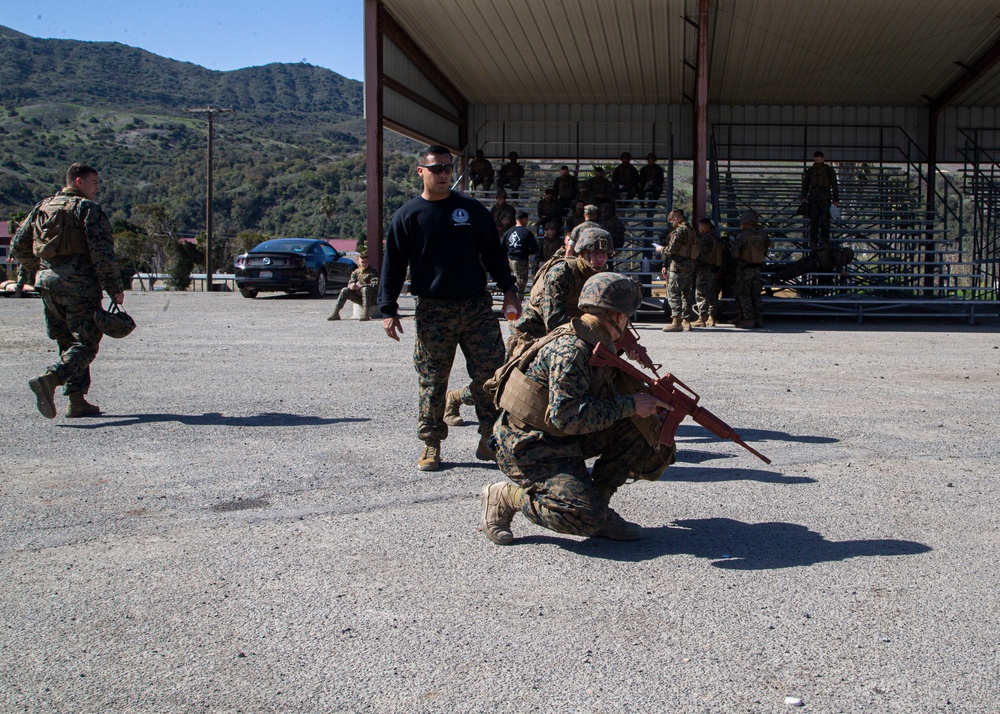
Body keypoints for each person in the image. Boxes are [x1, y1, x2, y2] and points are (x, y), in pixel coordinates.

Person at [480, 272, 672, 545]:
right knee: (583, 516)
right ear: (618, 316)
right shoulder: (572, 349)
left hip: (558, 435)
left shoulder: (596, 339)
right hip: (529, 444)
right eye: (628, 317)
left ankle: (600, 506)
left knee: (639, 426)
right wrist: (630, 404)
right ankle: (507, 496)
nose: (628, 324)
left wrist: (643, 407)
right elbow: (567, 417)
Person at [379, 145, 521, 471]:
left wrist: (510, 290)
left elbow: (494, 255)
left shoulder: (471, 211)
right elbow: (394, 265)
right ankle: (431, 443)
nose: (443, 174)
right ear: (421, 172)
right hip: (433, 310)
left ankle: (490, 440)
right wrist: (388, 309)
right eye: (436, 168)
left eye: (447, 168)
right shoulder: (408, 216)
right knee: (432, 379)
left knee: (490, 376)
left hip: (476, 307)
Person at [11, 163, 125, 419]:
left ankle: (77, 400)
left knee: (67, 341)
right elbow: (102, 252)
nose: (97, 187)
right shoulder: (87, 209)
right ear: (78, 182)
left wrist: (42, 269)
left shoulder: (42, 207)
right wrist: (115, 287)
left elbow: (18, 246)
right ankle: (50, 379)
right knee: (86, 343)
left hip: (48, 285)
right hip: (80, 286)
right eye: (93, 182)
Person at [508, 226, 612, 342]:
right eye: (595, 253)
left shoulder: (601, 277)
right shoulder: (561, 273)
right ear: (582, 253)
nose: (600, 258)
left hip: (569, 330)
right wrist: (590, 332)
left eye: (604, 254)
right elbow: (554, 320)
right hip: (532, 332)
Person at [657, 209, 697, 332]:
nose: (671, 223)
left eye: (671, 220)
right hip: (690, 266)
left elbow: (671, 250)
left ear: (676, 219)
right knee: (687, 294)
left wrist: (660, 250)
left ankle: (676, 321)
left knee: (673, 293)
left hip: (678, 266)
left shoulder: (679, 231)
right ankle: (687, 320)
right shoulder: (691, 230)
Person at [730, 209, 770, 329]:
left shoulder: (742, 235)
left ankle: (747, 319)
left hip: (744, 269)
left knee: (743, 294)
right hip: (757, 268)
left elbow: (735, 254)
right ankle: (758, 319)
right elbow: (766, 250)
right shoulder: (763, 235)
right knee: (756, 294)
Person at [800, 150, 839, 249]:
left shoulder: (829, 170)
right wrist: (803, 197)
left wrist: (835, 199)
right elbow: (805, 184)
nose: (817, 162)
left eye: (819, 160)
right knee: (814, 222)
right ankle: (813, 242)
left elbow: (834, 185)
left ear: (823, 159)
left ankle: (825, 241)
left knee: (825, 221)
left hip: (825, 199)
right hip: (813, 199)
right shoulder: (810, 171)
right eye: (816, 160)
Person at [327, 251, 379, 321]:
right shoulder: (356, 272)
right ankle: (335, 313)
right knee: (344, 290)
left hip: (371, 298)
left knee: (365, 289)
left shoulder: (373, 272)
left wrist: (362, 286)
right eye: (362, 262)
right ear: (358, 262)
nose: (364, 264)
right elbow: (351, 281)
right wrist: (352, 286)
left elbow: (375, 285)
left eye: (366, 262)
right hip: (359, 297)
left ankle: (366, 314)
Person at [692, 218, 723, 327]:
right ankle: (712, 317)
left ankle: (702, 317)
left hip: (704, 268)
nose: (699, 229)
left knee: (701, 293)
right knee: (712, 294)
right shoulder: (716, 238)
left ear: (705, 227)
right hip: (714, 269)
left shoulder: (706, 239)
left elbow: (701, 254)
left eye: (700, 226)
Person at [501, 211, 539, 296]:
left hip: (510, 260)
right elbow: (535, 249)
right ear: (524, 219)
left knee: (515, 280)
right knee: (520, 282)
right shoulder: (526, 232)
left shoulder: (508, 232)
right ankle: (517, 301)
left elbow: (502, 247)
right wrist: (526, 252)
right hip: (521, 260)